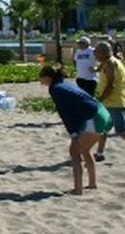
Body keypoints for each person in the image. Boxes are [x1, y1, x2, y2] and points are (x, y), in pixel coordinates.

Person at [39, 65, 112, 195]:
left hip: (93, 116)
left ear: (47, 77)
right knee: (84, 150)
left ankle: (78, 190)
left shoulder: (55, 88)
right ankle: (92, 184)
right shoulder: (64, 83)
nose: (40, 81)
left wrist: (73, 133)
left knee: (74, 151)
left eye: (41, 77)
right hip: (103, 113)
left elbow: (65, 113)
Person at [93, 41, 125, 162]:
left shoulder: (111, 64)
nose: (95, 54)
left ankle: (99, 153)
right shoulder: (107, 62)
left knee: (121, 130)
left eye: (96, 52)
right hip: (108, 102)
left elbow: (111, 85)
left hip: (114, 102)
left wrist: (100, 99)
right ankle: (99, 153)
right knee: (103, 129)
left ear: (103, 53)